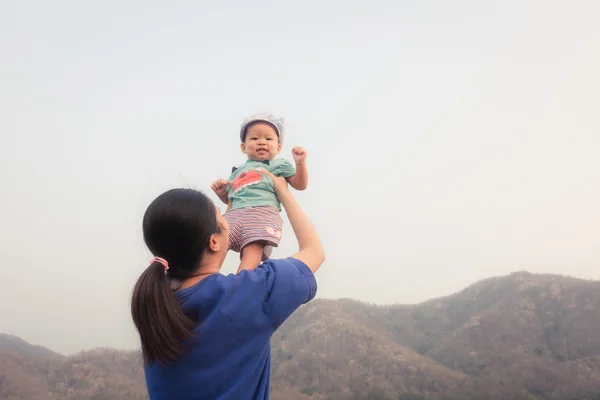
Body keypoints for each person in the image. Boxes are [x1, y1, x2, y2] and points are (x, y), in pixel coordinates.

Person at [130, 169, 324, 400]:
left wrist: (233, 202)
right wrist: (282, 192)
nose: (229, 222)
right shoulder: (251, 293)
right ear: (213, 241)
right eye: (224, 219)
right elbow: (314, 251)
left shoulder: (156, 304)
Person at [211, 113, 309, 273]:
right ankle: (208, 277)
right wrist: (222, 192)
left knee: (252, 249)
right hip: (234, 214)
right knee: (215, 243)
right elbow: (232, 198)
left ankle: (242, 283)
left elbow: (300, 184)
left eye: (268, 139)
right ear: (243, 147)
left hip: (262, 213)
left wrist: (300, 163)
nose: (262, 142)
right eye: (255, 138)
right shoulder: (238, 172)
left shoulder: (279, 165)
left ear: (278, 147)